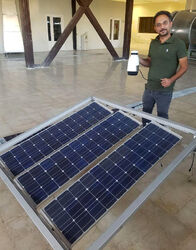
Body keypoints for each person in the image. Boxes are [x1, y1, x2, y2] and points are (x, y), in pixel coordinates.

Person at [139, 10, 188, 126]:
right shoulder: (153, 43)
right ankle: (145, 132)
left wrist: (171, 80)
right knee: (145, 113)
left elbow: (184, 67)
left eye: (164, 23)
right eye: (158, 25)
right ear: (155, 28)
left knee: (162, 116)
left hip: (164, 91)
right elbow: (149, 62)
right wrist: (139, 60)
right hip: (149, 87)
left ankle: (161, 137)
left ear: (170, 24)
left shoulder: (179, 44)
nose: (162, 27)